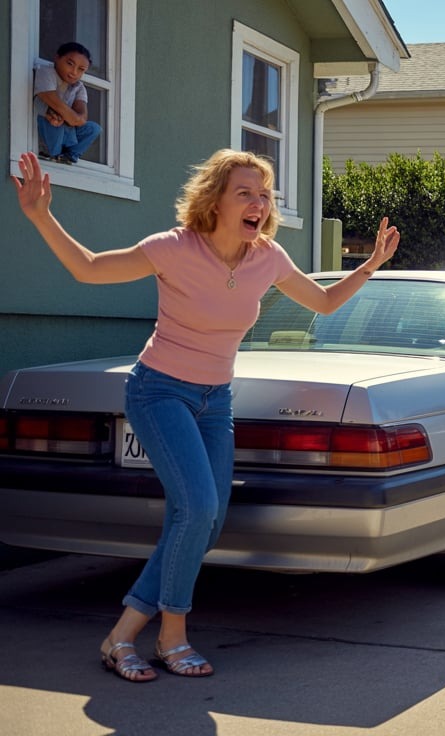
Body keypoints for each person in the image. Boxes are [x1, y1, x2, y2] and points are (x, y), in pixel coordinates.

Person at [9, 149, 400, 681]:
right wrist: (39, 214)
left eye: (264, 194)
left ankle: (126, 636)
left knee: (205, 521)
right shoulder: (173, 248)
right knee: (196, 509)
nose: (258, 203)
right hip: (159, 391)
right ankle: (164, 636)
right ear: (214, 201)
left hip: (216, 400)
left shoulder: (268, 256)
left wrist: (371, 265)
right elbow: (89, 269)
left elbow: (325, 303)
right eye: (245, 193)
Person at [33, 41, 102, 165]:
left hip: (68, 129)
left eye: (81, 69)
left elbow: (81, 119)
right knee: (55, 122)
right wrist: (68, 116)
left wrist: (66, 116)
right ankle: (53, 153)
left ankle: (70, 155)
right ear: (57, 58)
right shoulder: (47, 73)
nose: (74, 72)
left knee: (94, 128)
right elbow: (51, 100)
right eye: (70, 64)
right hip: (50, 125)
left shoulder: (79, 87)